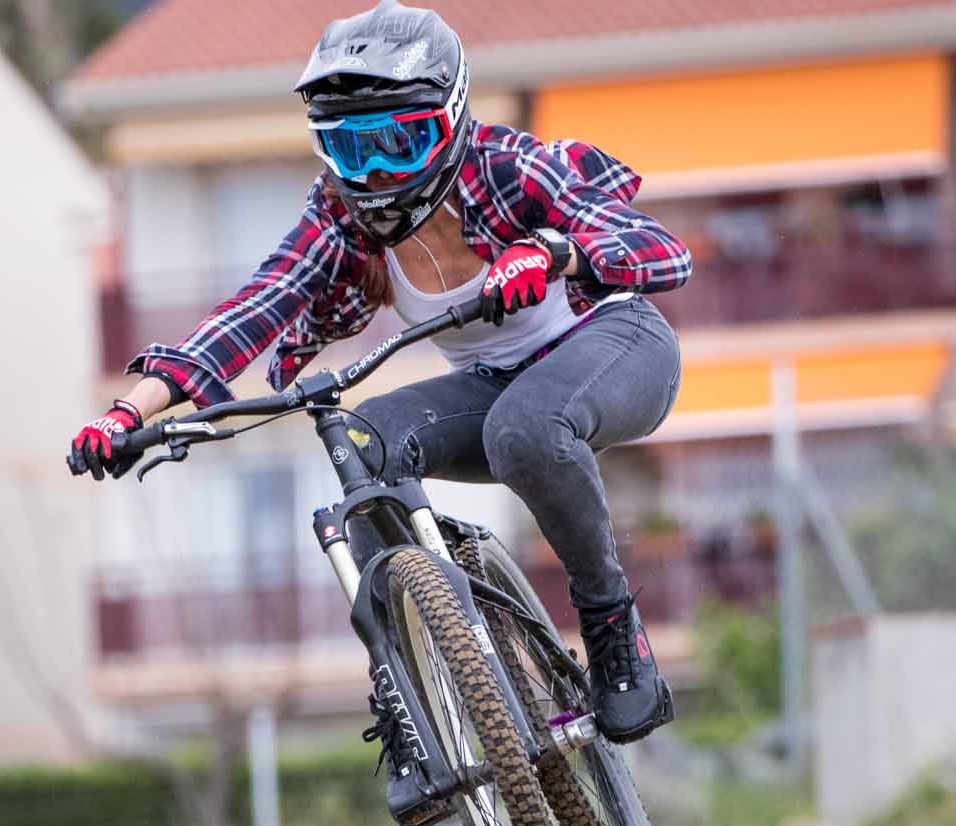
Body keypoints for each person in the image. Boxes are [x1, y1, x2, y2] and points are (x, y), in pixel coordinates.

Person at [69, 0, 692, 786]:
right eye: (350, 152)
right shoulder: (340, 218)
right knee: (360, 443)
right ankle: (408, 696)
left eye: (400, 143)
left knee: (523, 430)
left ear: (452, 118)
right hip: (498, 386)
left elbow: (661, 249)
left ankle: (610, 624)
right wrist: (131, 412)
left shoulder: (507, 169)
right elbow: (257, 305)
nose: (377, 176)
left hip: (615, 344)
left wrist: (555, 252)